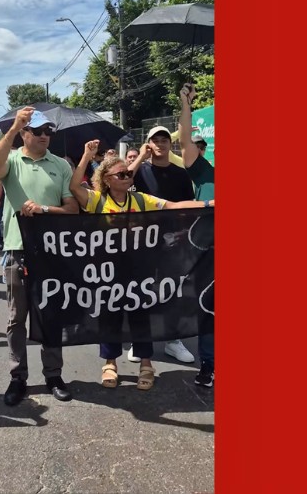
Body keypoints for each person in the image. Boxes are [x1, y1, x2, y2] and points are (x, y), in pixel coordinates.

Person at [70, 140, 209, 390]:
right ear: (107, 179)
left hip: (139, 271)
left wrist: (210, 205)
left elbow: (175, 206)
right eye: (121, 174)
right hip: (109, 272)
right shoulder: (97, 202)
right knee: (109, 316)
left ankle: (146, 364)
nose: (127, 177)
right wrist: (85, 156)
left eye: (129, 173)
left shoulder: (141, 199)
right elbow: (73, 187)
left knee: (141, 316)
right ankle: (110, 363)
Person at [0, 107, 80, 406]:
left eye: (48, 132)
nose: (44, 136)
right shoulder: (12, 159)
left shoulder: (61, 166)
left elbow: (72, 209)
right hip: (18, 250)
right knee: (17, 318)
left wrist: (43, 210)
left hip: (53, 252)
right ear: (24, 134)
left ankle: (53, 374)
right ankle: (18, 377)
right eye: (37, 131)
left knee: (51, 316)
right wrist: (13, 128)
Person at [126, 125, 199, 364]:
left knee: (172, 292)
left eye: (164, 139)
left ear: (171, 143)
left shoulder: (180, 174)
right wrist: (140, 159)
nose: (160, 143)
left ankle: (172, 340)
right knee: (140, 291)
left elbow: (188, 207)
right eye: (155, 139)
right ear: (148, 144)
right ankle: (140, 341)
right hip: (141, 243)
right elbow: (122, 183)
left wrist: (182, 234)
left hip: (173, 243)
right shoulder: (139, 171)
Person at [178, 83, 216, 387]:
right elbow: (186, 141)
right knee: (209, 310)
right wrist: (186, 104)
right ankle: (209, 365)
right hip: (207, 254)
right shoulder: (204, 171)